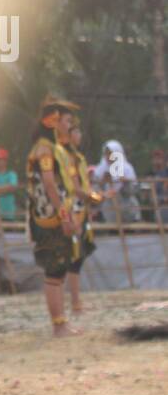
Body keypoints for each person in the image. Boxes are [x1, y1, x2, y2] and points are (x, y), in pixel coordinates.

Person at [26, 96, 87, 337]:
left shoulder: (52, 149)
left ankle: (61, 322)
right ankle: (58, 324)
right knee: (54, 271)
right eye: (66, 121)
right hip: (49, 217)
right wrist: (65, 217)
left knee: (59, 270)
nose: (69, 126)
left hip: (53, 214)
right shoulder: (45, 150)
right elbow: (50, 186)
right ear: (53, 122)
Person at [66, 117, 99, 315]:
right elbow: (76, 188)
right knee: (74, 256)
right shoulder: (69, 157)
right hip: (74, 209)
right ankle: (75, 303)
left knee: (80, 254)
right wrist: (98, 197)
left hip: (81, 208)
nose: (79, 135)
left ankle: (76, 302)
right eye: (75, 132)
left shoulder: (77, 156)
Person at [93, 139, 140, 225]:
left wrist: (125, 181)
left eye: (111, 153)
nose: (108, 156)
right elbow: (95, 191)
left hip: (127, 207)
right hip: (109, 211)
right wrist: (102, 183)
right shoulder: (100, 169)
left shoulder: (126, 168)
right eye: (106, 153)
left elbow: (134, 189)